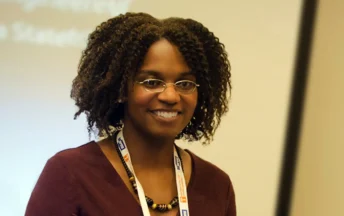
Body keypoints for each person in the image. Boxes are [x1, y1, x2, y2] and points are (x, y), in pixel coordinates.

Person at [25, 12, 236, 216]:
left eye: (185, 83)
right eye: (152, 82)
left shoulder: (217, 185)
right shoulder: (69, 174)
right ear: (120, 87)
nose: (171, 96)